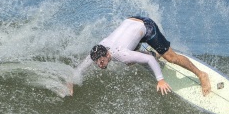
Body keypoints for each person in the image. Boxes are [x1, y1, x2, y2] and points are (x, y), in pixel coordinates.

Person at [69, 16, 211, 96]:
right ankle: (151, 53)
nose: (99, 65)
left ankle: (201, 74)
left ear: (106, 54)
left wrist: (160, 80)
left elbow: (148, 60)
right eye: (97, 63)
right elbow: (82, 67)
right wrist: (71, 81)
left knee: (170, 57)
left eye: (101, 62)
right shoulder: (98, 50)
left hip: (147, 28)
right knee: (131, 62)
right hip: (132, 21)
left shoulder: (121, 54)